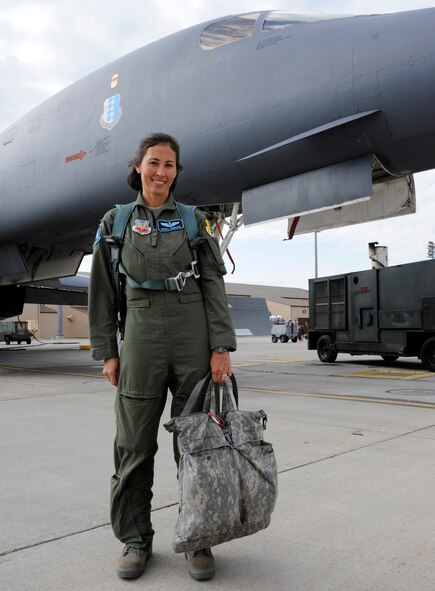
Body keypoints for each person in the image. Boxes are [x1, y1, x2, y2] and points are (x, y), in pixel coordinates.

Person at [88, 132, 237, 581]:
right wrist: (107, 351)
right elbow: (103, 292)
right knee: (134, 446)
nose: (160, 172)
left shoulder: (195, 222)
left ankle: (199, 538)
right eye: (153, 162)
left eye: (169, 165)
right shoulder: (114, 223)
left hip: (192, 335)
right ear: (138, 167)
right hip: (140, 335)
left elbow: (213, 283)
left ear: (177, 172)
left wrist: (220, 346)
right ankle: (136, 540)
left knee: (198, 446)